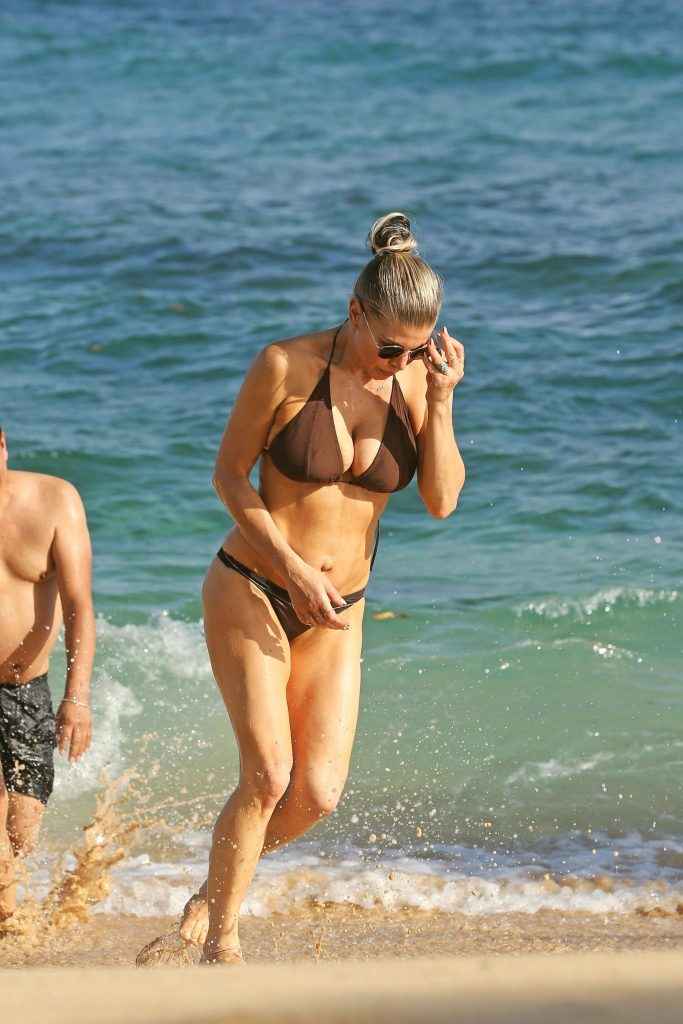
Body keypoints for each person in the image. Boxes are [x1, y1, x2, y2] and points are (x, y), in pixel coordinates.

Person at [193, 212, 465, 964]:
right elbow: (228, 477)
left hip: (340, 610)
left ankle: (210, 894)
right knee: (267, 775)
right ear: (354, 312)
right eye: (389, 347)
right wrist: (290, 566)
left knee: (315, 794)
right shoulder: (285, 365)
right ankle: (221, 945)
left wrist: (441, 398)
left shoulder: (415, 379)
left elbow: (441, 501)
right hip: (255, 584)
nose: (398, 361)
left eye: (416, 349)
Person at [0, 425, 95, 921]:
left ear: (2, 446)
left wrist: (76, 697)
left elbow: (79, 605)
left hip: (26, 688)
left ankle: (9, 923)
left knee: (22, 833)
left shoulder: (55, 500)